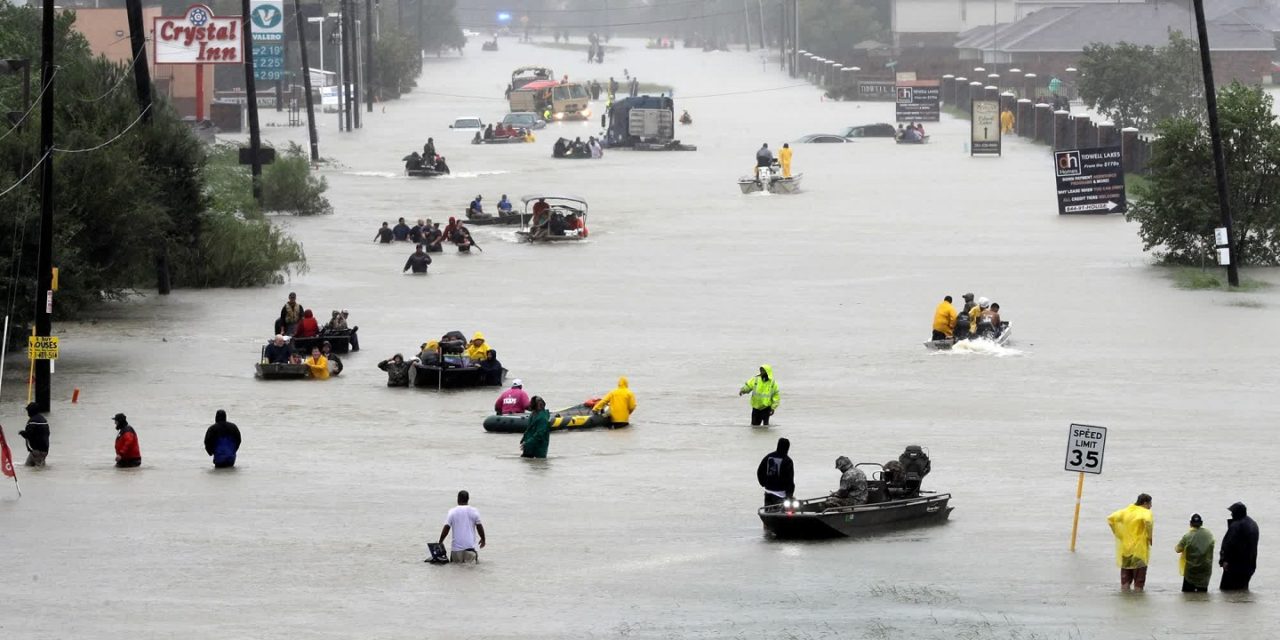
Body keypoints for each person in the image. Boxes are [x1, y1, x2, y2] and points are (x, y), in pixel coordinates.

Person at [1107, 493, 1154, 591]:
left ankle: (1125, 598)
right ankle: (1137, 602)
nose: (1151, 506)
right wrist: (1149, 537)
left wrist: (1118, 534)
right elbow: (1148, 522)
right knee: (1139, 580)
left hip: (1126, 549)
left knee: (1125, 579)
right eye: (1150, 504)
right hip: (1139, 550)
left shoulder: (1125, 511)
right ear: (1145, 503)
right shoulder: (1145, 512)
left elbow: (1110, 519)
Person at [438, 490, 486, 563]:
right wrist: (483, 539)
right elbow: (479, 527)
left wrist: (440, 542)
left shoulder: (452, 512)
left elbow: (446, 528)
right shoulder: (474, 511)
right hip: (470, 548)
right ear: (468, 499)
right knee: (471, 572)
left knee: (455, 572)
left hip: (456, 550)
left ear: (458, 499)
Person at [1220, 501, 1259, 591]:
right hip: (1250, 564)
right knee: (1242, 589)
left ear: (1236, 513)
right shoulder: (1253, 523)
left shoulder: (1236, 526)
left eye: (1232, 512)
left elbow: (1228, 545)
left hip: (1235, 566)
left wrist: (1224, 560)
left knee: (1227, 592)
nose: (1231, 514)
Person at [1175, 513, 1215, 593]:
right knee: (1203, 594)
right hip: (1205, 568)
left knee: (1187, 595)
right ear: (1202, 523)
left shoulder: (1187, 536)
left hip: (1191, 570)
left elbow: (1178, 549)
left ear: (1190, 524)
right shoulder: (1209, 534)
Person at [756, 437, 795, 506]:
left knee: (768, 511)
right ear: (787, 448)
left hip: (768, 492)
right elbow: (789, 479)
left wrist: (763, 483)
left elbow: (760, 471)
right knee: (781, 514)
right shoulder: (787, 460)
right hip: (780, 494)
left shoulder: (768, 457)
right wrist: (790, 494)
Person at [18, 402, 49, 467]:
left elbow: (29, 435)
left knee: (35, 470)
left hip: (36, 451)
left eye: (28, 411)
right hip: (44, 450)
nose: (27, 413)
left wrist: (22, 433)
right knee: (34, 468)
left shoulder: (32, 422)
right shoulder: (43, 420)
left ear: (30, 411)